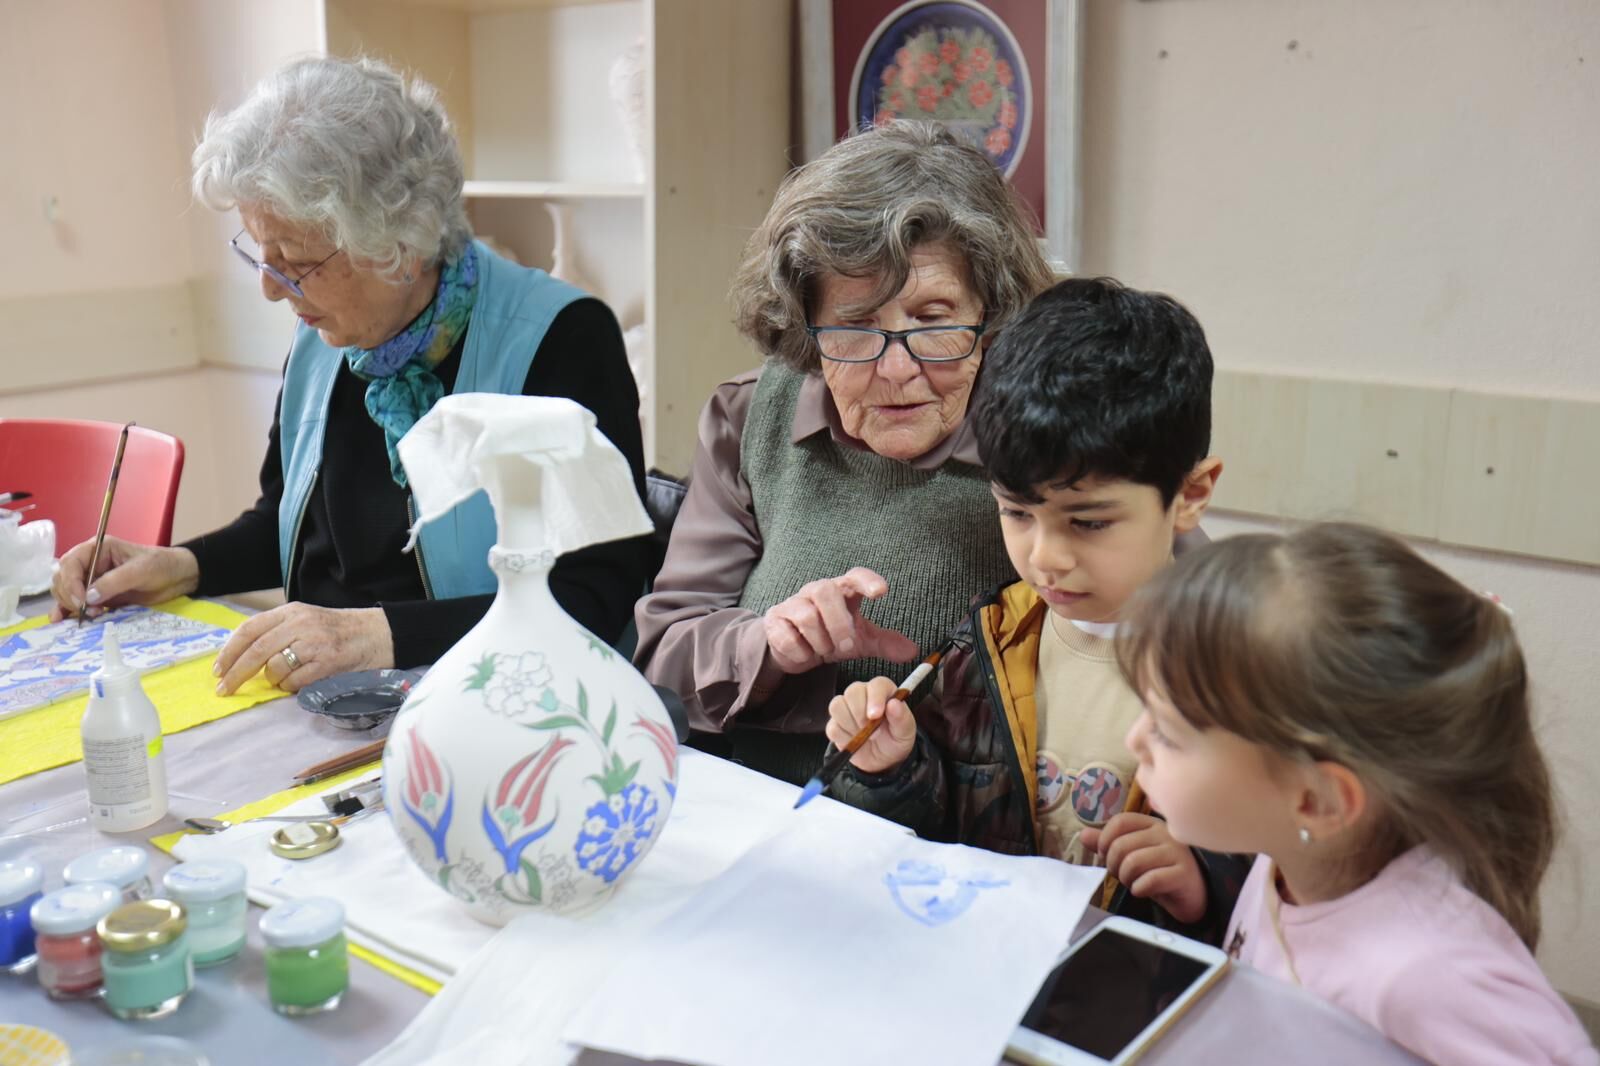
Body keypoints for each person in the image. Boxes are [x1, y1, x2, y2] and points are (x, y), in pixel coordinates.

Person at [49, 56, 649, 693]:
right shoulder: (326, 335)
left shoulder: (561, 337)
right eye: (261, 252)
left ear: (403, 245)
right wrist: (178, 565)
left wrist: (376, 635)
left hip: (489, 702)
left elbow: (593, 600)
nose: (271, 290)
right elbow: (288, 521)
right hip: (331, 699)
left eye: (297, 262)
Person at [632, 120, 1056, 784]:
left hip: (972, 852)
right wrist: (769, 644)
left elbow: (1194, 632)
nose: (896, 369)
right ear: (805, 325)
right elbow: (665, 655)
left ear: (990, 316)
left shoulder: (1052, 430)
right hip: (772, 823)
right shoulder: (752, 419)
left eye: (932, 317)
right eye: (856, 326)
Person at [823, 278, 1244, 941]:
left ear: (1190, 495)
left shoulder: (1243, 672)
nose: (1046, 556)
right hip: (992, 965)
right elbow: (943, 825)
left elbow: (1306, 865)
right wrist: (896, 764)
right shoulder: (990, 640)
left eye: (1089, 522)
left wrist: (1205, 885)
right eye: (1017, 513)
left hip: (1133, 996)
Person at [1117, 523, 1598, 1065]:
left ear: (1317, 801)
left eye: (1167, 733)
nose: (1134, 740)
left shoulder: (1431, 974)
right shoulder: (1288, 863)